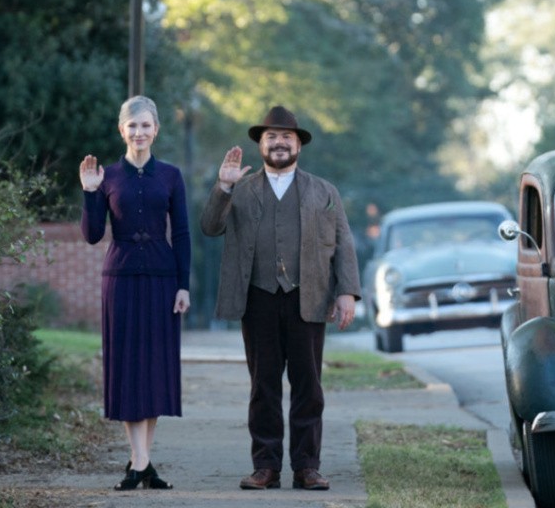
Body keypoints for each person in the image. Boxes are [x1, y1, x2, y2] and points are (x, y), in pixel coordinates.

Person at [200, 105, 361, 491]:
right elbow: (210, 226)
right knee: (263, 386)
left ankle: (307, 467)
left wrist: (346, 292)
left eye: (286, 137)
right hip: (258, 298)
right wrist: (223, 187)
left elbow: (343, 243)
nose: (279, 143)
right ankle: (266, 467)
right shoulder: (240, 188)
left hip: (309, 297)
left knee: (309, 386)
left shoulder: (324, 191)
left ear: (298, 145)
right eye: (271, 137)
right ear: (260, 144)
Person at [80, 95, 191, 491]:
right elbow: (92, 235)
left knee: (155, 367)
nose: (139, 132)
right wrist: (90, 193)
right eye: (132, 126)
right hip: (121, 279)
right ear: (121, 130)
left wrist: (183, 285)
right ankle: (141, 460)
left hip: (162, 280)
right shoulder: (107, 177)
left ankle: (140, 461)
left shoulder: (172, 176)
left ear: (156, 130)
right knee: (128, 367)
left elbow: (182, 233)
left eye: (146, 125)